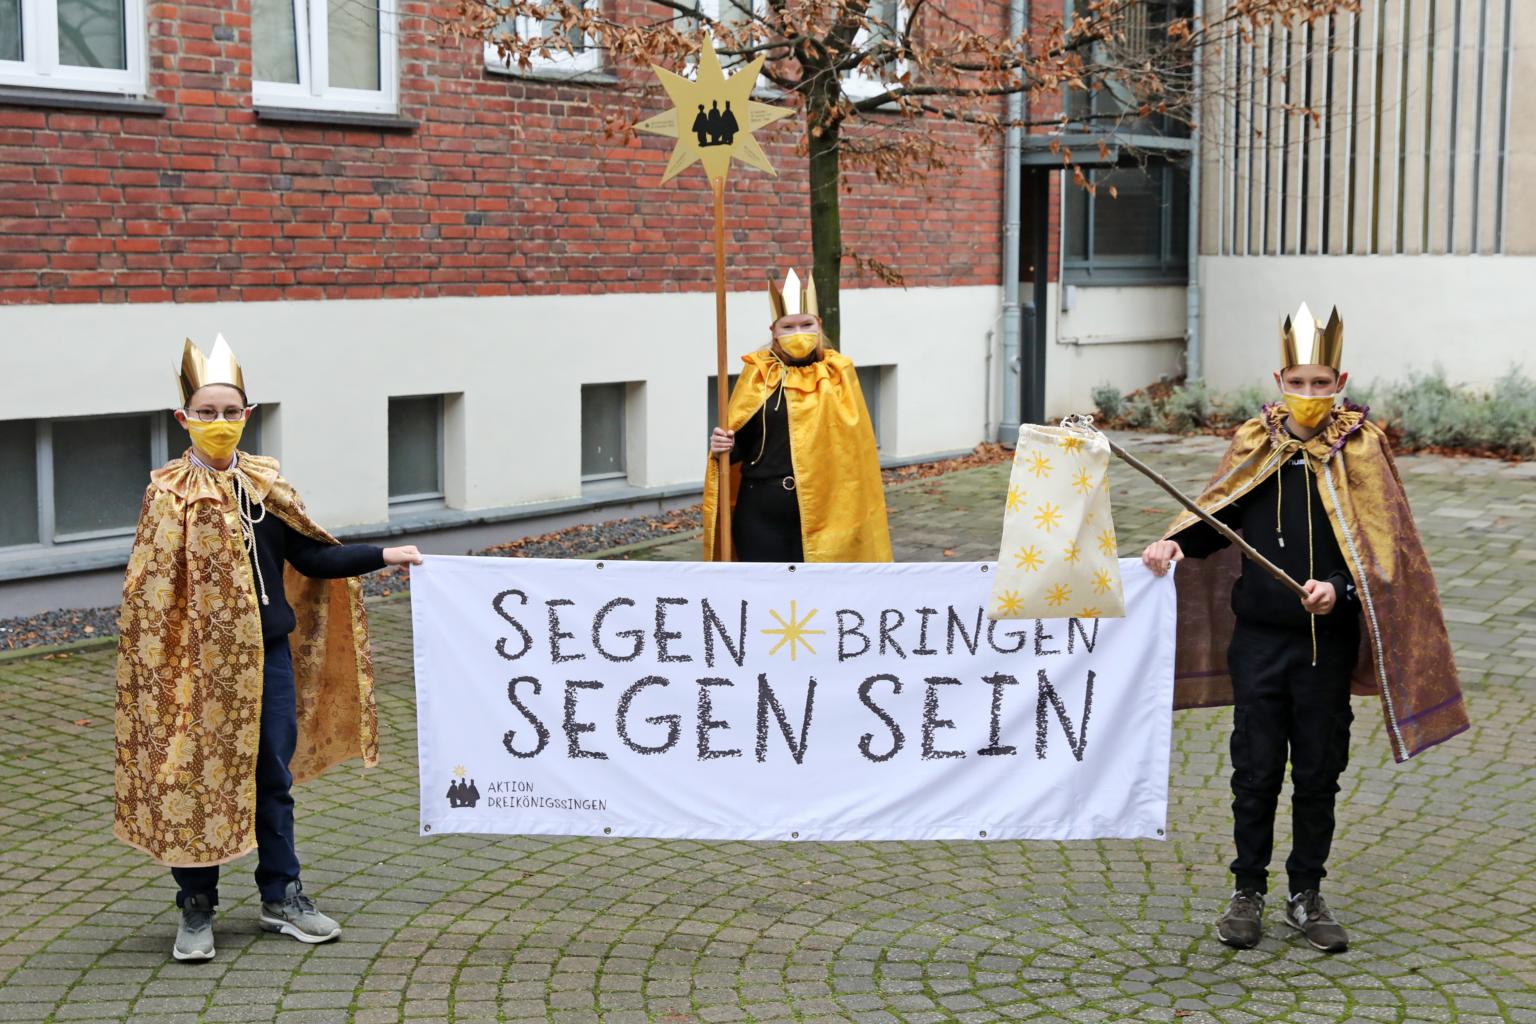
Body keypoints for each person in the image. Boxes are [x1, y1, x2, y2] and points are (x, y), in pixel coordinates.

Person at [1141, 304, 1467, 954]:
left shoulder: (1361, 449)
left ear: (1340, 379)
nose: (1311, 395)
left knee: (1318, 772)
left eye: (1323, 383)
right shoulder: (1254, 443)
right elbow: (1217, 517)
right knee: (1255, 771)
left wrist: (1339, 591)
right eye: (1300, 381)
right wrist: (1176, 543)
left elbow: (1383, 552)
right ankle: (1247, 892)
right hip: (1258, 640)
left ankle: (1306, 892)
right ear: (1279, 377)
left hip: (1326, 645)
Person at [113, 335, 424, 962]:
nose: (220, 423)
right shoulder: (167, 496)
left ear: (247, 416)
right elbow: (148, 597)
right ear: (184, 419)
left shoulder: (264, 489)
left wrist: (385, 555)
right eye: (207, 413)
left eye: (231, 412)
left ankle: (282, 895)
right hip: (197, 670)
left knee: (270, 777)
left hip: (269, 660)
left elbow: (310, 554)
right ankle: (196, 908)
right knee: (199, 779)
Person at [702, 269, 892, 562]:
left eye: (806, 324)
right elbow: (742, 444)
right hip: (760, 511)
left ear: (819, 326)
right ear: (774, 331)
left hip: (825, 513)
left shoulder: (838, 374)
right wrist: (722, 445)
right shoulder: (758, 374)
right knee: (765, 595)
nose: (798, 334)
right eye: (788, 327)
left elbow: (854, 451)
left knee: (817, 597)